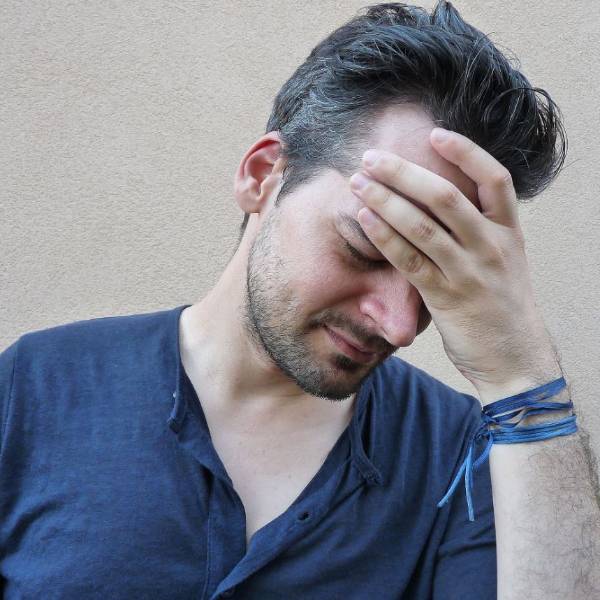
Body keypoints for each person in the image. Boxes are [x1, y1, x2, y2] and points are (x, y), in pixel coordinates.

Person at [0, 2, 573, 598]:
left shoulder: (464, 454)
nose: (401, 326)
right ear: (263, 175)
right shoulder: (35, 388)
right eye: (365, 248)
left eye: (435, 281)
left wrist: (523, 373)